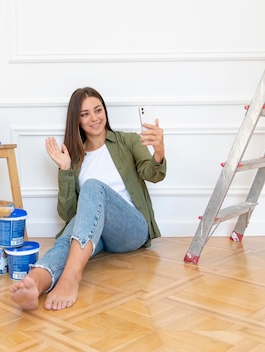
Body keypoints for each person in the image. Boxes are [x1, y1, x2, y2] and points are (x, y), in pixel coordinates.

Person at [9, 87, 167, 310]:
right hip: (98, 235)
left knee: (93, 187)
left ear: (105, 111)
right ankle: (36, 281)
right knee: (69, 238)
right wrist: (65, 169)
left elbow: (154, 174)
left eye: (97, 110)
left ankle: (71, 277)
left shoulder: (128, 141)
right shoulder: (74, 158)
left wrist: (158, 152)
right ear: (77, 120)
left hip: (131, 230)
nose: (94, 118)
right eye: (85, 114)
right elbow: (69, 214)